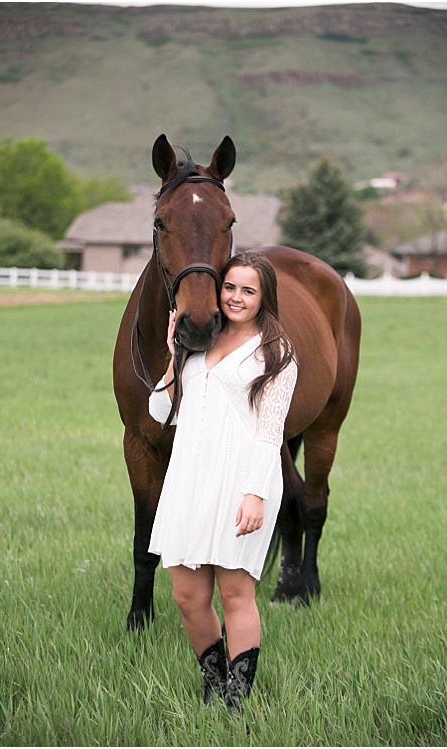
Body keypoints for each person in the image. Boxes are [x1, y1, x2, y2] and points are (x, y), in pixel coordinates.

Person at [149, 250, 298, 711]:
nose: (236, 297)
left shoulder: (276, 353)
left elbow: (271, 434)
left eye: (248, 290)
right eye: (229, 287)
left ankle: (236, 701)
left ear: (264, 297)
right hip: (188, 479)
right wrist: (174, 355)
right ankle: (213, 686)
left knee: (235, 592)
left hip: (241, 484)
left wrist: (255, 494)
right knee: (186, 595)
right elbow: (161, 413)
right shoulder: (197, 343)